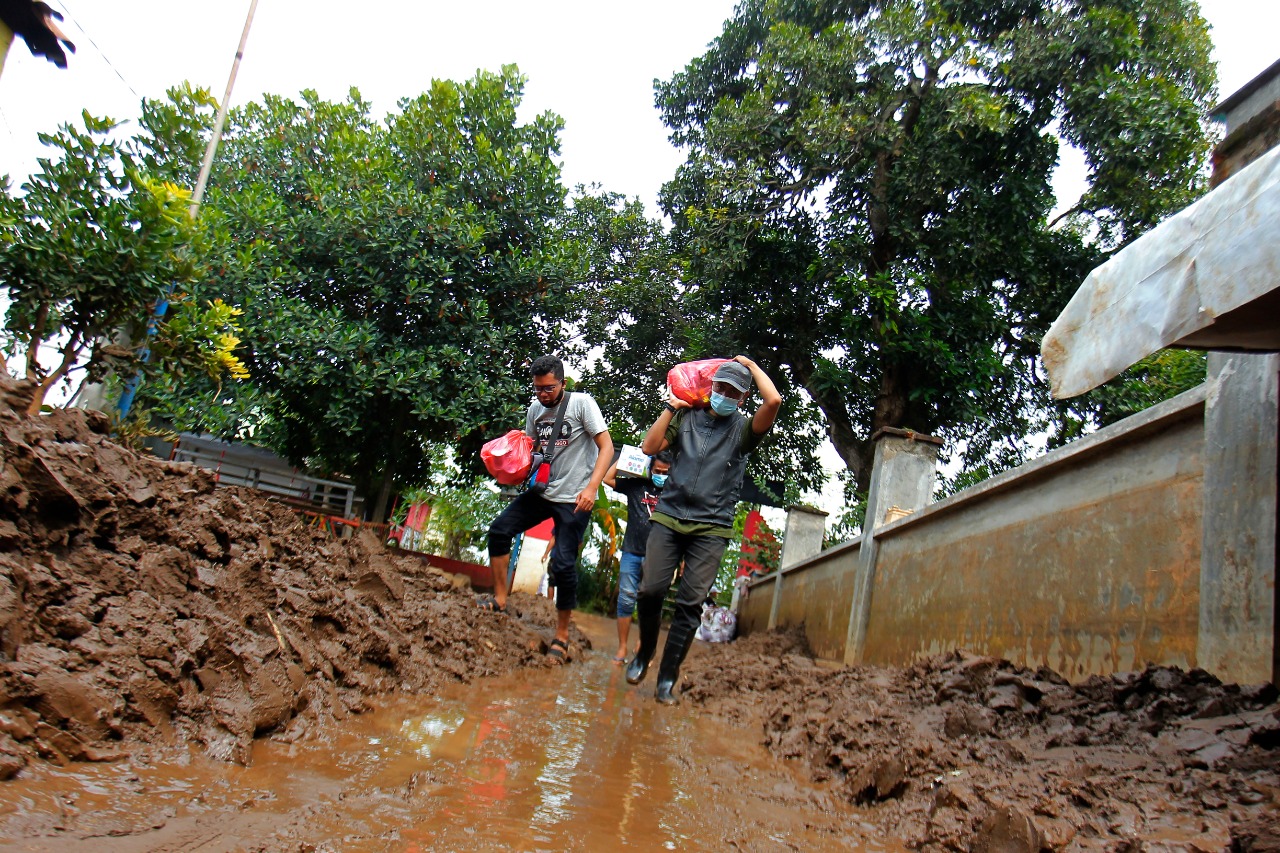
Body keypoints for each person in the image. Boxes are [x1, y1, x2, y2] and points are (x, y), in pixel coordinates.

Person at [626, 356, 781, 703]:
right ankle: (644, 653)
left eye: (734, 392)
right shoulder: (686, 417)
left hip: (711, 527)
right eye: (721, 387)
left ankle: (667, 677)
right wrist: (671, 407)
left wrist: (753, 367)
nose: (725, 394)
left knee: (690, 604)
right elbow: (649, 448)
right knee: (650, 591)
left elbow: (773, 401)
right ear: (711, 386)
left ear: (742, 398)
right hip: (669, 515)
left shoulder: (743, 431)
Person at [479, 355, 613, 663]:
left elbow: (606, 446)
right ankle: (500, 599)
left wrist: (592, 488)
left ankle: (562, 635)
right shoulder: (535, 410)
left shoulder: (582, 404)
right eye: (538, 388)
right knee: (500, 530)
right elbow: (533, 448)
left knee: (563, 565)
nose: (543, 394)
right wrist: (509, 455)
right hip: (543, 492)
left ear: (563, 383)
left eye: (549, 388)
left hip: (576, 498)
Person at [603, 449, 673, 664]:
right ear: (650, 468)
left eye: (665, 472)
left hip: (658, 558)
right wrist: (627, 457)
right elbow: (607, 478)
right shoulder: (636, 486)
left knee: (651, 603)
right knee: (625, 599)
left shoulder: (674, 493)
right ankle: (622, 648)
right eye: (657, 470)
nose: (660, 475)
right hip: (631, 551)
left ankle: (644, 646)